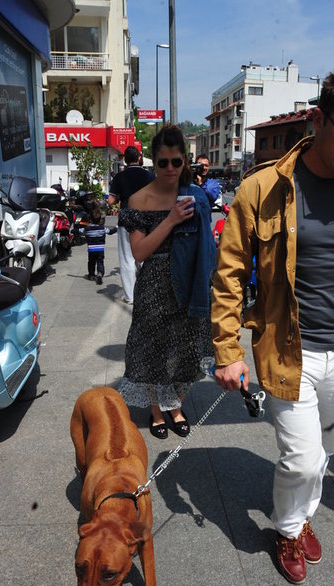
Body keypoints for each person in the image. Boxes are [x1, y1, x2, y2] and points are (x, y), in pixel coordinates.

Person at [211, 64, 334, 584]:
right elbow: (229, 274)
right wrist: (227, 351)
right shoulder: (262, 188)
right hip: (285, 348)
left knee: (324, 453)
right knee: (300, 458)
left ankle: (299, 516)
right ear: (318, 120)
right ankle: (289, 529)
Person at [117, 125, 216, 439]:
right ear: (153, 162)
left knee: (188, 352)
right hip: (155, 287)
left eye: (176, 161)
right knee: (154, 353)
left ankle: (176, 406)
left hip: (190, 284)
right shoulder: (139, 199)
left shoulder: (195, 196)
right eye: (163, 162)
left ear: (185, 161)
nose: (170, 168)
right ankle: (157, 412)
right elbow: (138, 252)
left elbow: (207, 247)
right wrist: (171, 220)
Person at [108, 146, 154, 304]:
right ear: (139, 158)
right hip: (144, 218)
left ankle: (130, 296)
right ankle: (147, 293)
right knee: (144, 257)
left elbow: (111, 200)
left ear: (125, 160)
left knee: (127, 258)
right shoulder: (149, 176)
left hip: (126, 219)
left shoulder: (120, 177)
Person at [81, 201, 117, 285]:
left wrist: (71, 230)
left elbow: (79, 231)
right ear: (100, 219)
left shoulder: (87, 229)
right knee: (100, 262)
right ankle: (100, 273)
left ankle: (91, 275)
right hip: (100, 249)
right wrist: (117, 227)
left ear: (90, 219)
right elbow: (110, 232)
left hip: (91, 250)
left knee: (91, 262)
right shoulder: (102, 228)